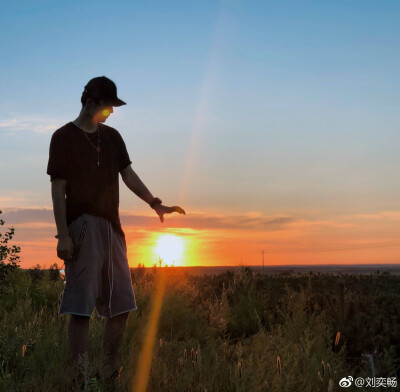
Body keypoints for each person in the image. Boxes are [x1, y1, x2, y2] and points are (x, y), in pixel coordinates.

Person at [46, 76, 186, 388]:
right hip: (81, 227)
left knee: (121, 305)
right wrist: (63, 235)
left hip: (112, 228)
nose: (111, 112)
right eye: (109, 106)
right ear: (91, 101)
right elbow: (58, 189)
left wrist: (155, 203)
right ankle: (79, 379)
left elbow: (128, 173)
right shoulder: (63, 137)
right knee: (81, 309)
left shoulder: (112, 138)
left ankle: (108, 373)